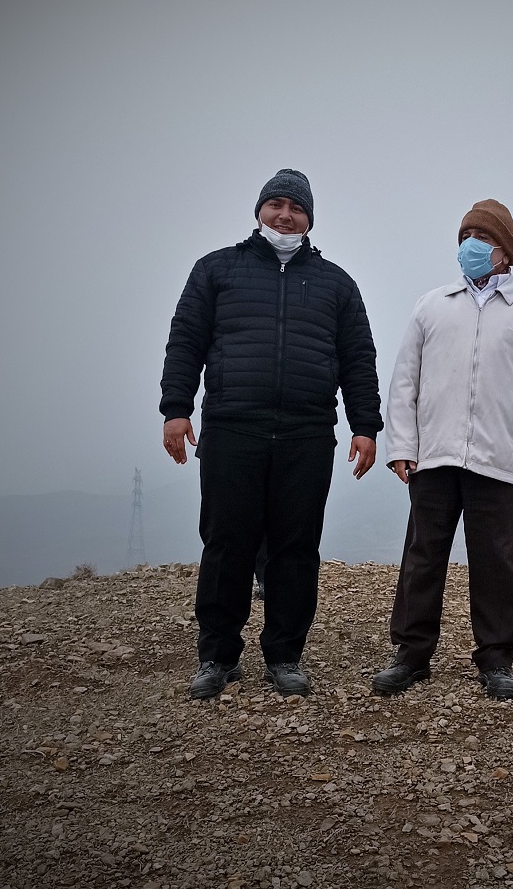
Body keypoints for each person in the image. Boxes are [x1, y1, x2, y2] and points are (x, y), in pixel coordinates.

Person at [160, 169, 383, 700]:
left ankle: (284, 655)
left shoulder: (337, 284)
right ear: (259, 211)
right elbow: (185, 341)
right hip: (232, 427)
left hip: (307, 434)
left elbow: (358, 359)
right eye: (276, 205)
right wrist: (176, 409)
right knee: (225, 544)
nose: (285, 216)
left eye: (296, 208)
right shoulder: (216, 270)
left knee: (296, 548)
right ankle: (216, 656)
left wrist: (366, 426)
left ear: (309, 219)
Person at [374, 199, 513, 700]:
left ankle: (496, 659)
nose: (470, 248)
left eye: (481, 240)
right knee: (422, 555)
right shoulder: (432, 305)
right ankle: (412, 656)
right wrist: (401, 446)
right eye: (465, 239)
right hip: (434, 456)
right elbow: (403, 383)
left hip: (499, 460)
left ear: (506, 252)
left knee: (496, 562)